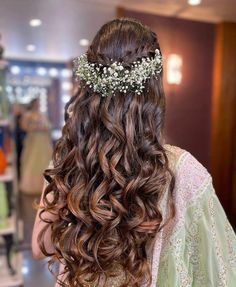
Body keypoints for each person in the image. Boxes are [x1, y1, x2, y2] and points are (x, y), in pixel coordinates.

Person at [32, 18, 236, 287]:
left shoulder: (72, 159)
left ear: (90, 89)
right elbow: (222, 271)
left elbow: (39, 246)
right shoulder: (182, 170)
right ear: (152, 94)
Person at [20, 98, 52, 194]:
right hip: (33, 142)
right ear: (33, 104)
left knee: (44, 161)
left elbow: (48, 126)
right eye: (36, 103)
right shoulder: (28, 115)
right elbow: (24, 127)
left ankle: (46, 184)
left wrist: (45, 128)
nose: (38, 105)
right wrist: (35, 127)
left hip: (43, 142)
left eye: (39, 103)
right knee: (32, 161)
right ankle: (31, 185)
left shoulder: (43, 114)